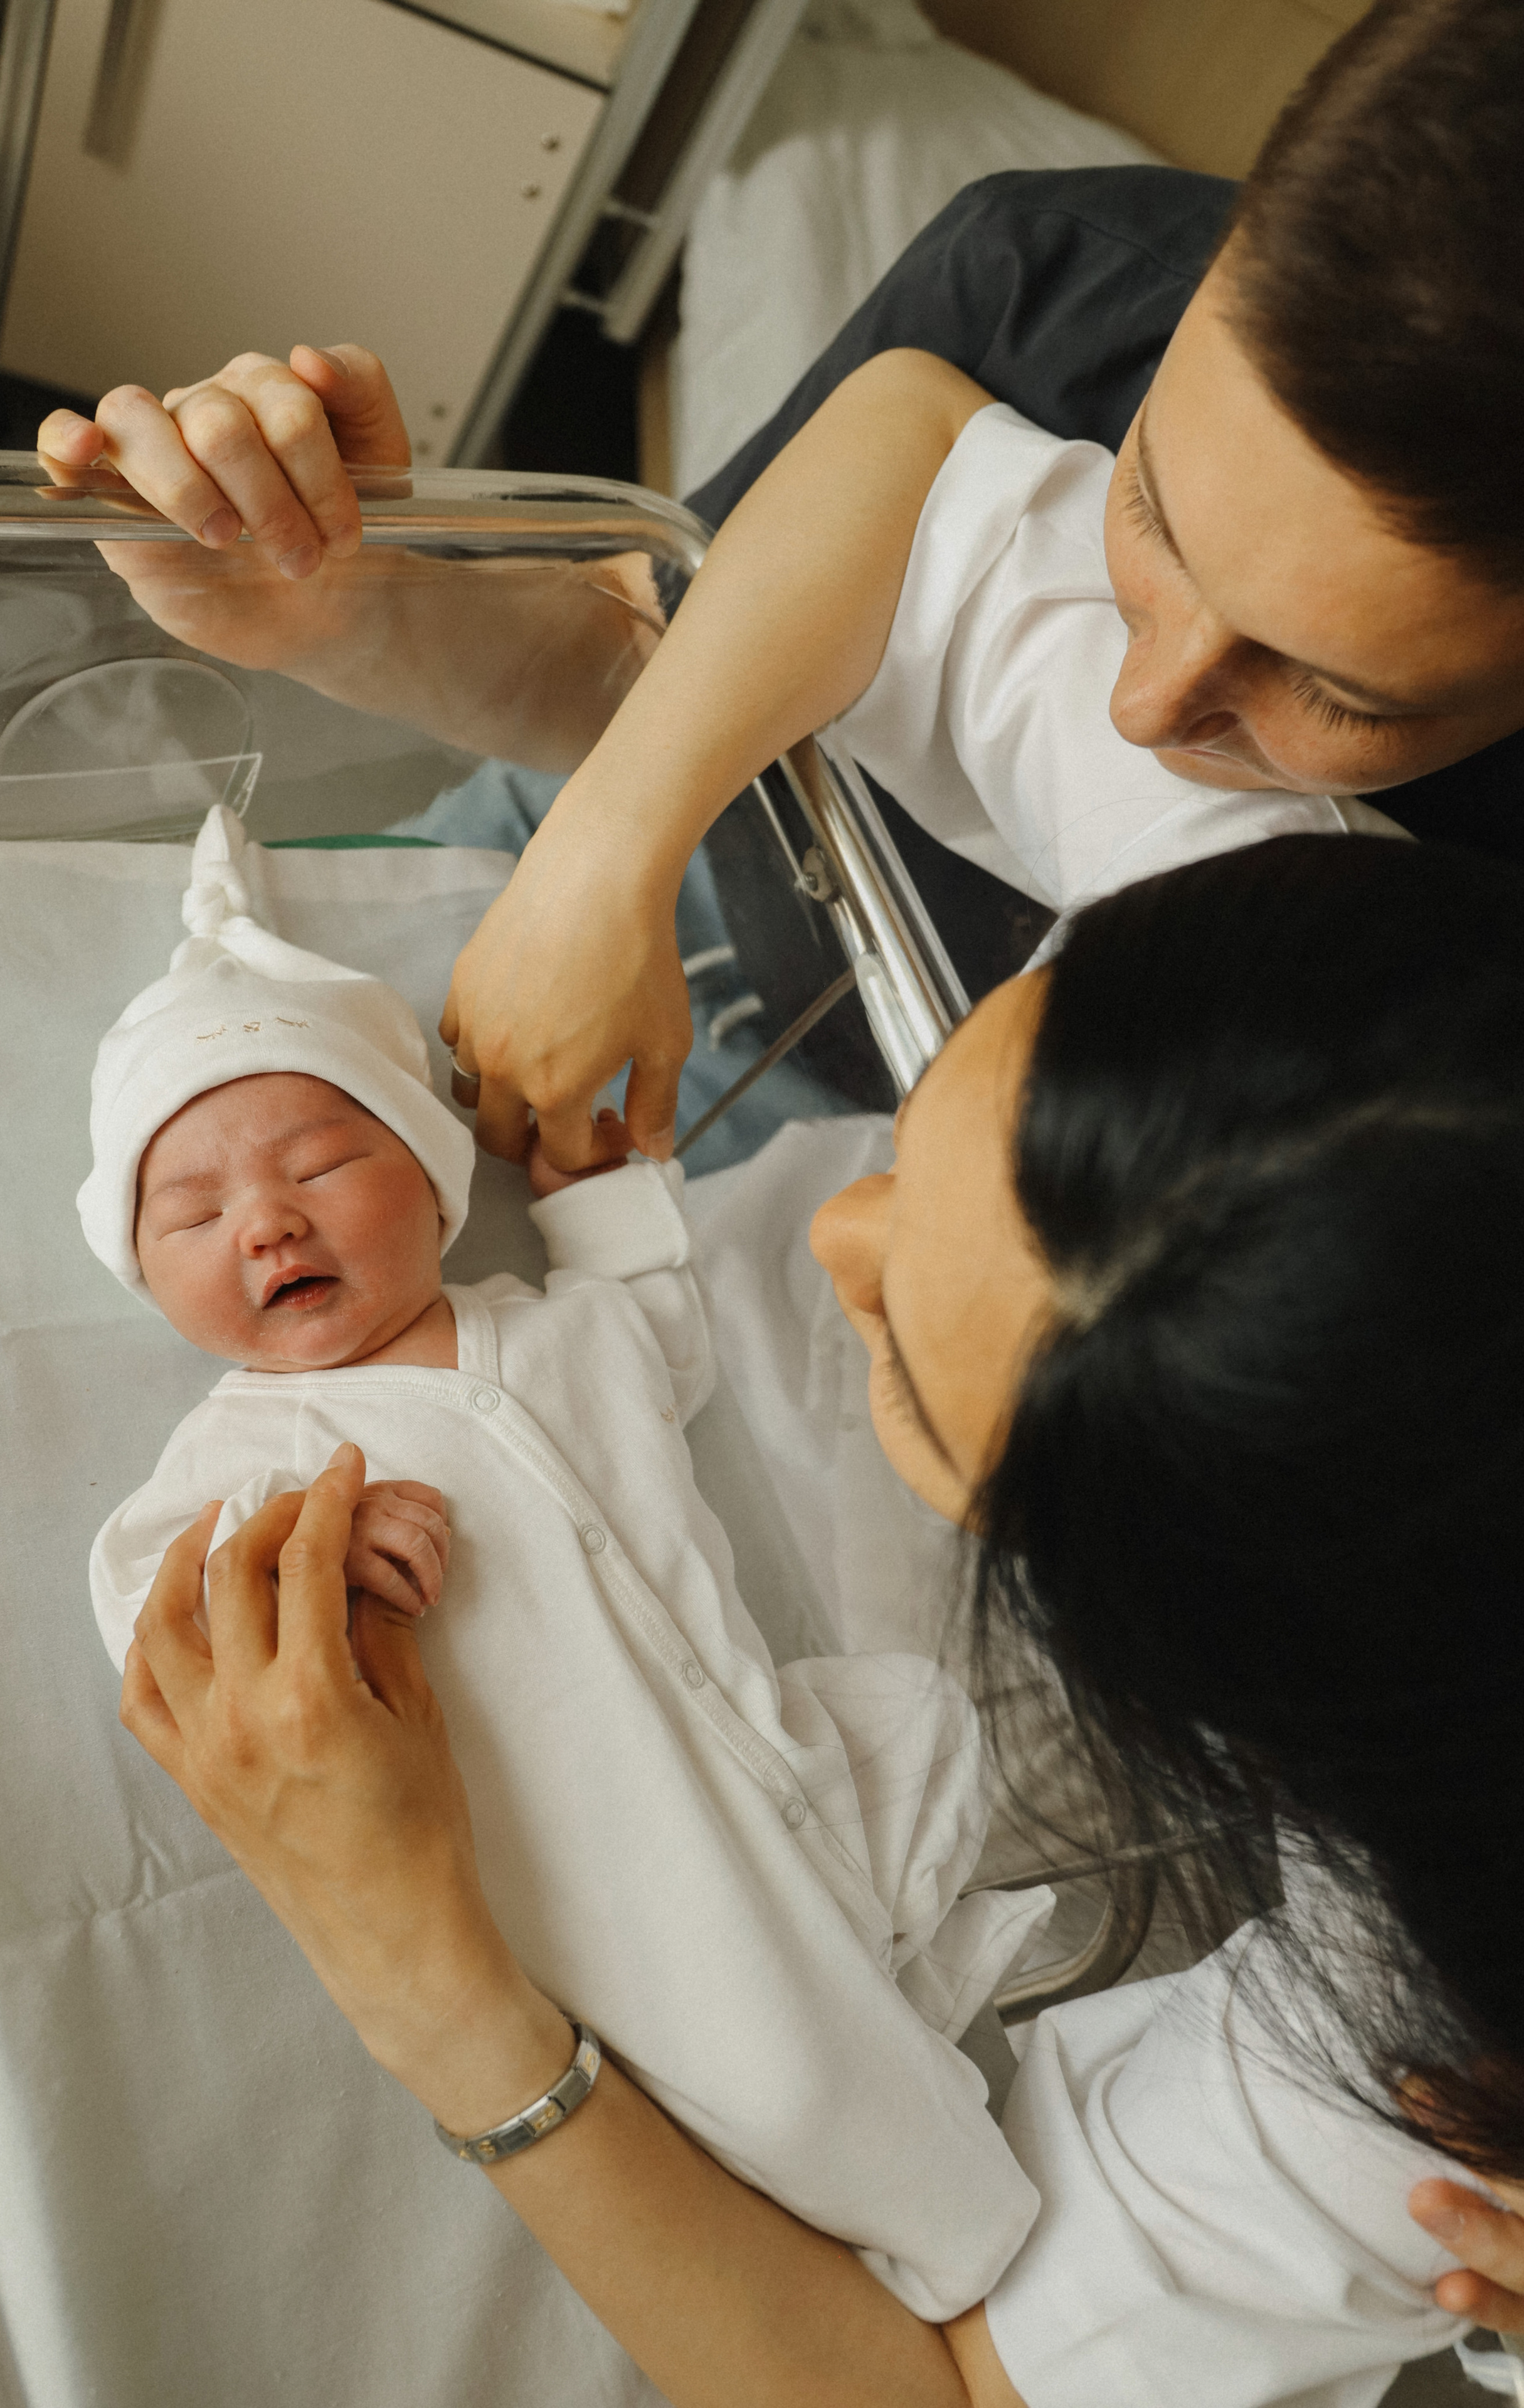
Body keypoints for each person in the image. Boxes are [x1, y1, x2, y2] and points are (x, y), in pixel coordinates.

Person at [124, 832, 1524, 2406]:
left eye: (902, 1347)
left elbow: (923, 2394)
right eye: (918, 1135)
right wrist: (628, 817)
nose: (830, 1229)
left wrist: (416, 1972)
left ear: (1147, 1662)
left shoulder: (1424, 2085)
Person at [38, 0, 1524, 1159]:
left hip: (872, 1129)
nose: (1146, 706)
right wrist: (345, 609)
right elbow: (630, 652)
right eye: (1143, 508)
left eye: (1334, 692)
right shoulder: (1057, 283)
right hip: (610, 847)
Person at [82, 803, 1050, 2318]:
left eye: (325, 1162)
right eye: (193, 1211)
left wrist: (595, 1198)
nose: (265, 1220)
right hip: (588, 1838)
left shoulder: (561, 1327)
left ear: (430, 1175)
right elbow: (160, 1625)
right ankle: (972, 2264)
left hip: (760, 1750)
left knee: (911, 1788)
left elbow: (664, 1340)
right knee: (775, 2073)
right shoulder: (241, 1458)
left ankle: (961, 2234)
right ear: (144, 1277)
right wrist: (304, 1574)